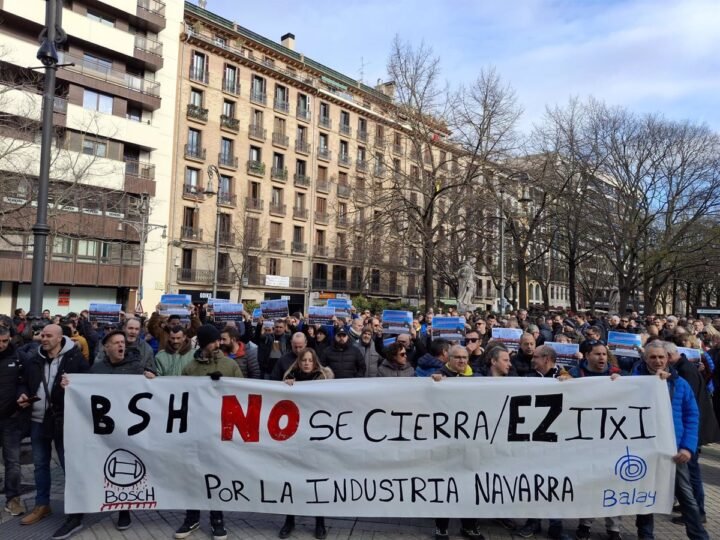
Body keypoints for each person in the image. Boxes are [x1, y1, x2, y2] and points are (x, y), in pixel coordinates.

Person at [632, 340, 709, 540]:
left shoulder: (680, 384)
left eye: (661, 357)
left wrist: (687, 448)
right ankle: (645, 535)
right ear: (645, 358)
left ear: (668, 359)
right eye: (653, 357)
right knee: (645, 497)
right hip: (645, 449)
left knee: (687, 497)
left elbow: (692, 416)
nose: (657, 361)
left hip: (674, 450)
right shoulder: (633, 382)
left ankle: (699, 536)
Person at [18, 324, 88, 539]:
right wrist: (23, 394)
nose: (43, 338)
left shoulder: (75, 360)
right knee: (40, 465)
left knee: (70, 466)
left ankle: (76, 511)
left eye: (48, 336)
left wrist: (74, 385)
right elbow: (23, 382)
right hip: (38, 420)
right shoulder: (34, 359)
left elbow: (88, 386)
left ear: (60, 338)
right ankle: (42, 505)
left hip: (64, 422)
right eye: (42, 335)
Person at [176, 325, 242, 540]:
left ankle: (217, 518)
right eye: (215, 341)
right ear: (206, 343)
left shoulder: (229, 365)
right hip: (196, 428)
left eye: (219, 341)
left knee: (216, 475)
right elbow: (179, 395)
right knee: (193, 474)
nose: (219, 343)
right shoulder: (190, 368)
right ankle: (192, 517)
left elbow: (242, 393)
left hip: (220, 429)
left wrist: (223, 386)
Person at [430, 345, 483, 539]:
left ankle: (469, 525)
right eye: (457, 357)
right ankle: (441, 526)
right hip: (445, 440)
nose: (462, 361)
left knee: (469, 483)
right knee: (444, 484)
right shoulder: (438, 376)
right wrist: (433, 384)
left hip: (469, 440)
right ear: (448, 359)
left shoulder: (476, 378)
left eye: (464, 357)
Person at [279, 347, 330, 539]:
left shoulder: (325, 382)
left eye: (310, 360)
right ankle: (289, 520)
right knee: (292, 478)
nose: (307, 363)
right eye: (303, 360)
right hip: (295, 438)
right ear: (298, 362)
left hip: (316, 439)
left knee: (316, 480)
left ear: (315, 362)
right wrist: (287, 386)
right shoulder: (289, 381)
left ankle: (320, 522)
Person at [0, 325, 27, 517]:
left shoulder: (18, 357)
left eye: (5, 340)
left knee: (13, 463)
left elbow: (23, 381)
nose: (2, 345)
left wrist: (22, 394)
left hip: (10, 418)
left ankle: (13, 499)